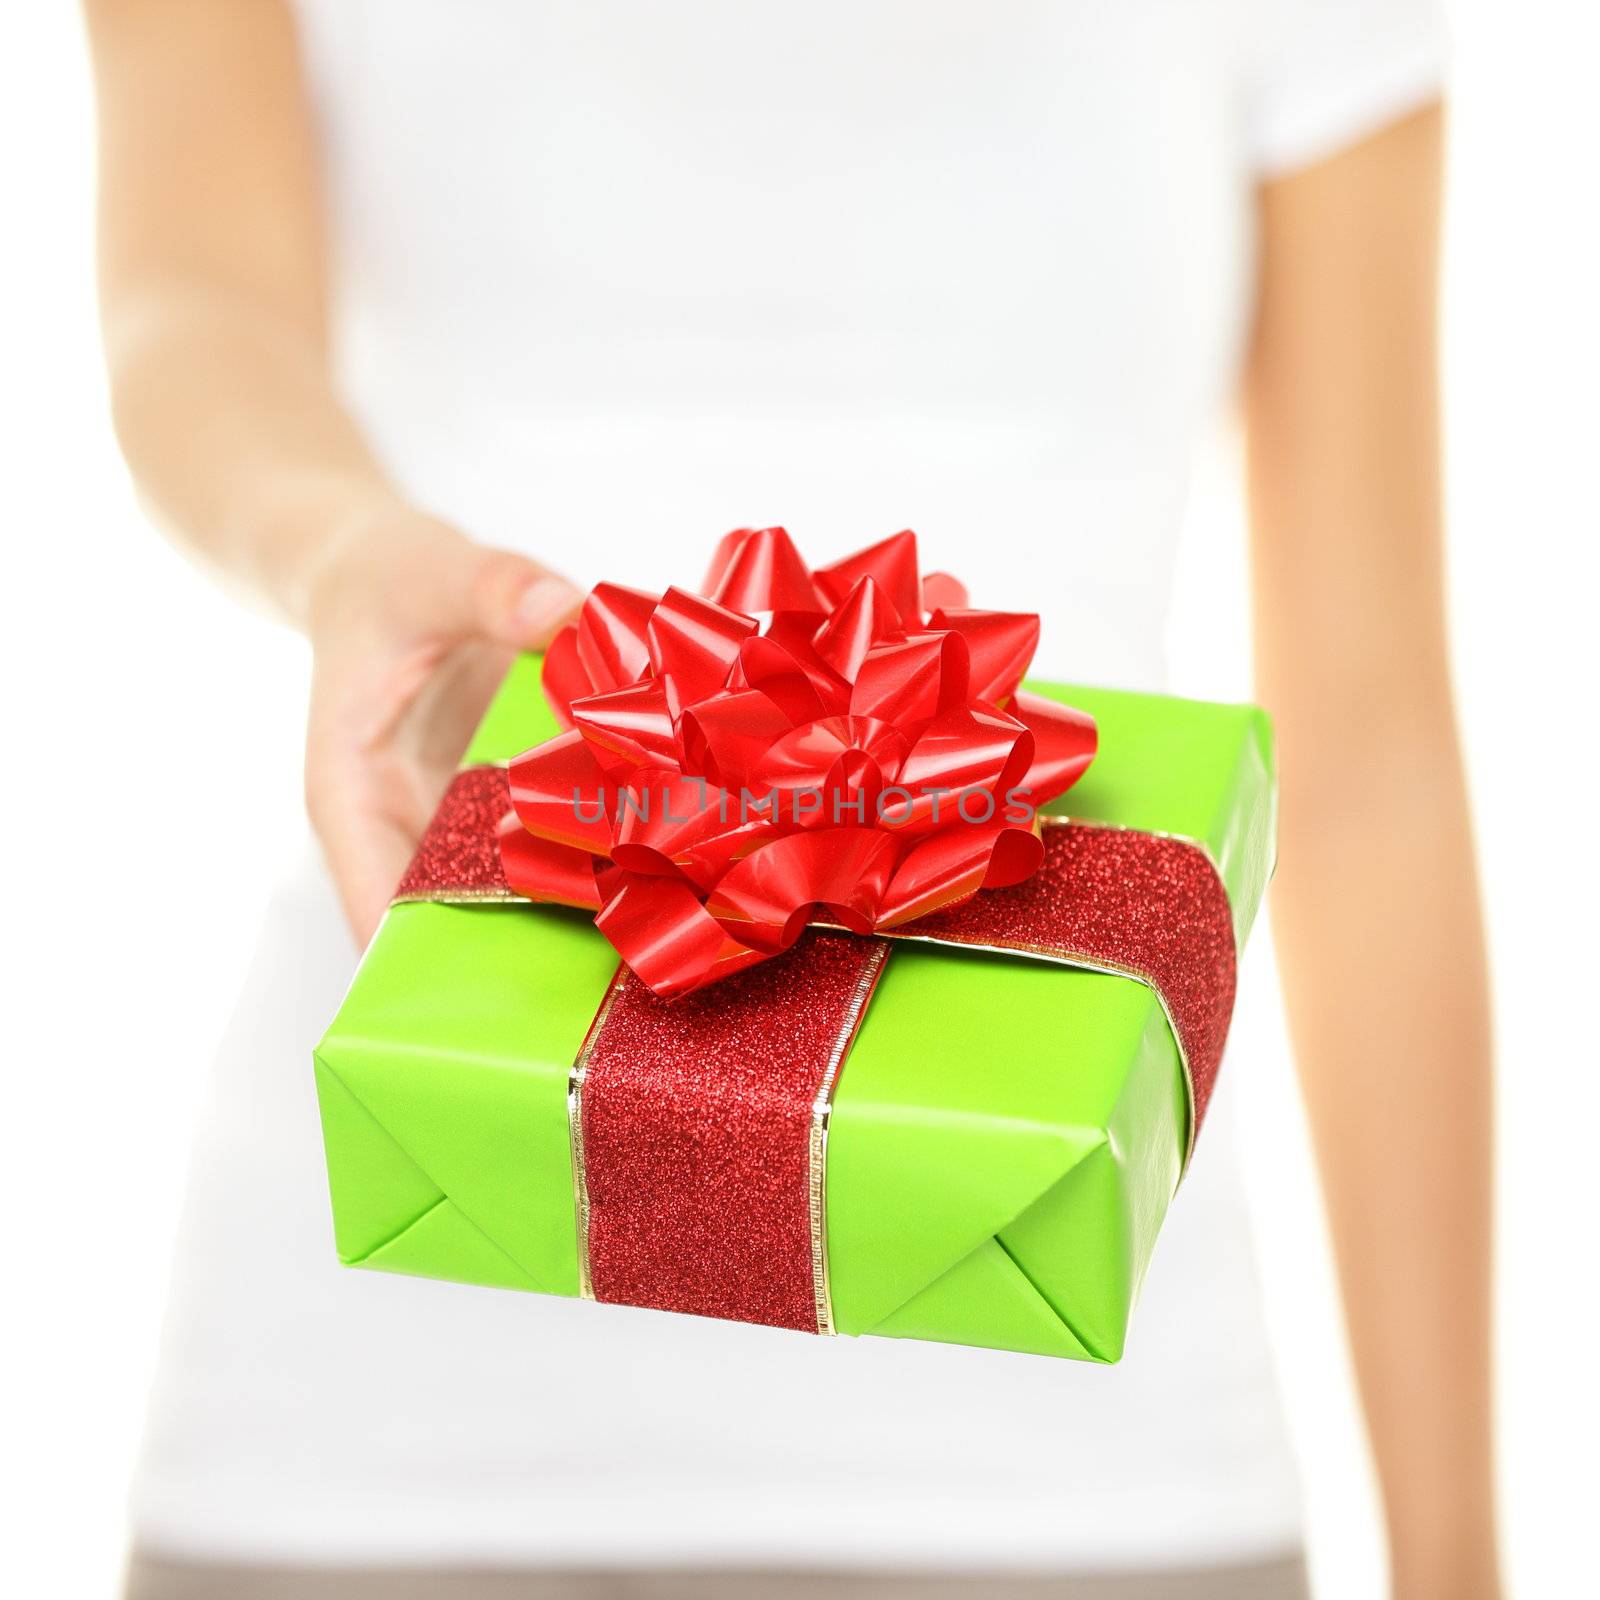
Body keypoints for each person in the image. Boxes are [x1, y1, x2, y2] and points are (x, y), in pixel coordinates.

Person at [85, 2, 1499, 1597]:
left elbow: (1368, 754)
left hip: (1095, 1472)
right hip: (352, 1460)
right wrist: (339, 546)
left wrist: (1455, 1557)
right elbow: (187, 307)